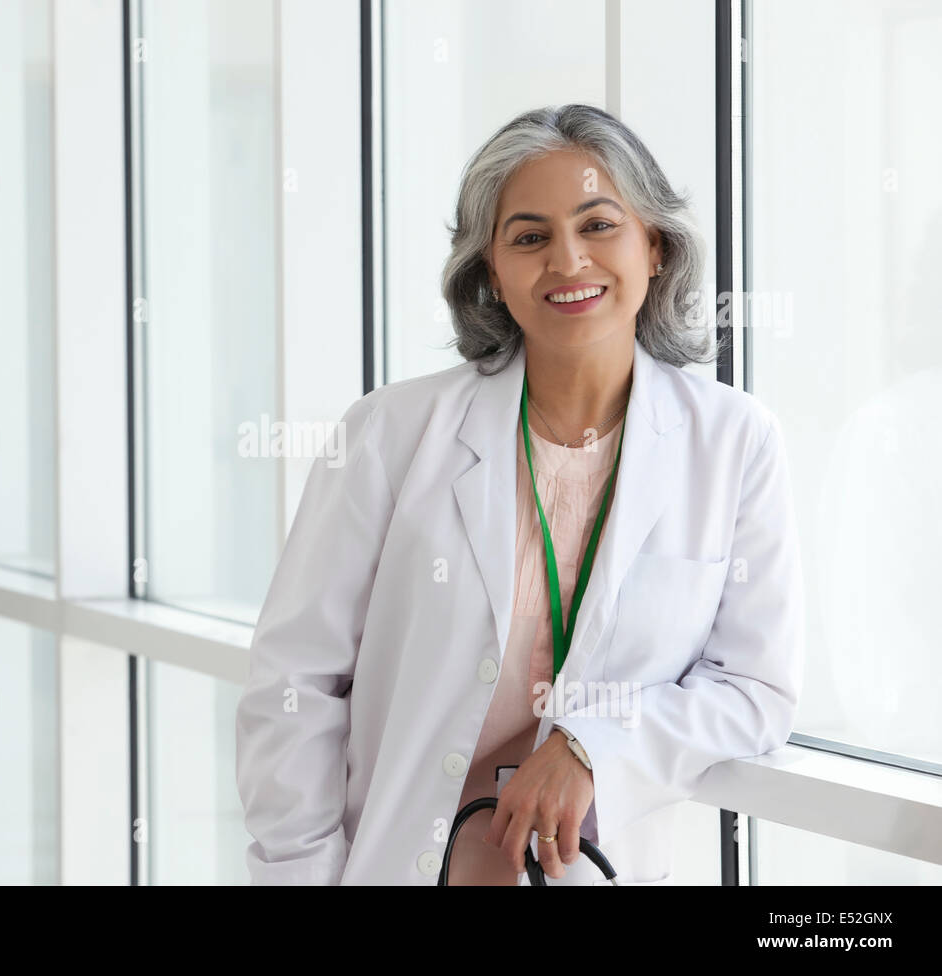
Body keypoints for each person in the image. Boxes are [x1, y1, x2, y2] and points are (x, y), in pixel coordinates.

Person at [235, 104, 804, 885]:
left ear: (655, 248)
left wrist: (591, 746)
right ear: (492, 276)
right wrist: (299, 874)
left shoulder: (735, 442)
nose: (569, 261)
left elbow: (754, 689)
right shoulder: (388, 433)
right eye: (530, 238)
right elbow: (294, 684)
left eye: (599, 225)